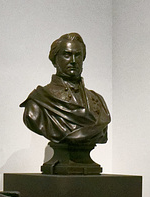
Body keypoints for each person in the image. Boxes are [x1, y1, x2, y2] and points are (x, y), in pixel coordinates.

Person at [20, 33, 110, 174]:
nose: (73, 60)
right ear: (55, 60)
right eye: (67, 55)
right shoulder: (38, 102)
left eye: (78, 55)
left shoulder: (98, 100)